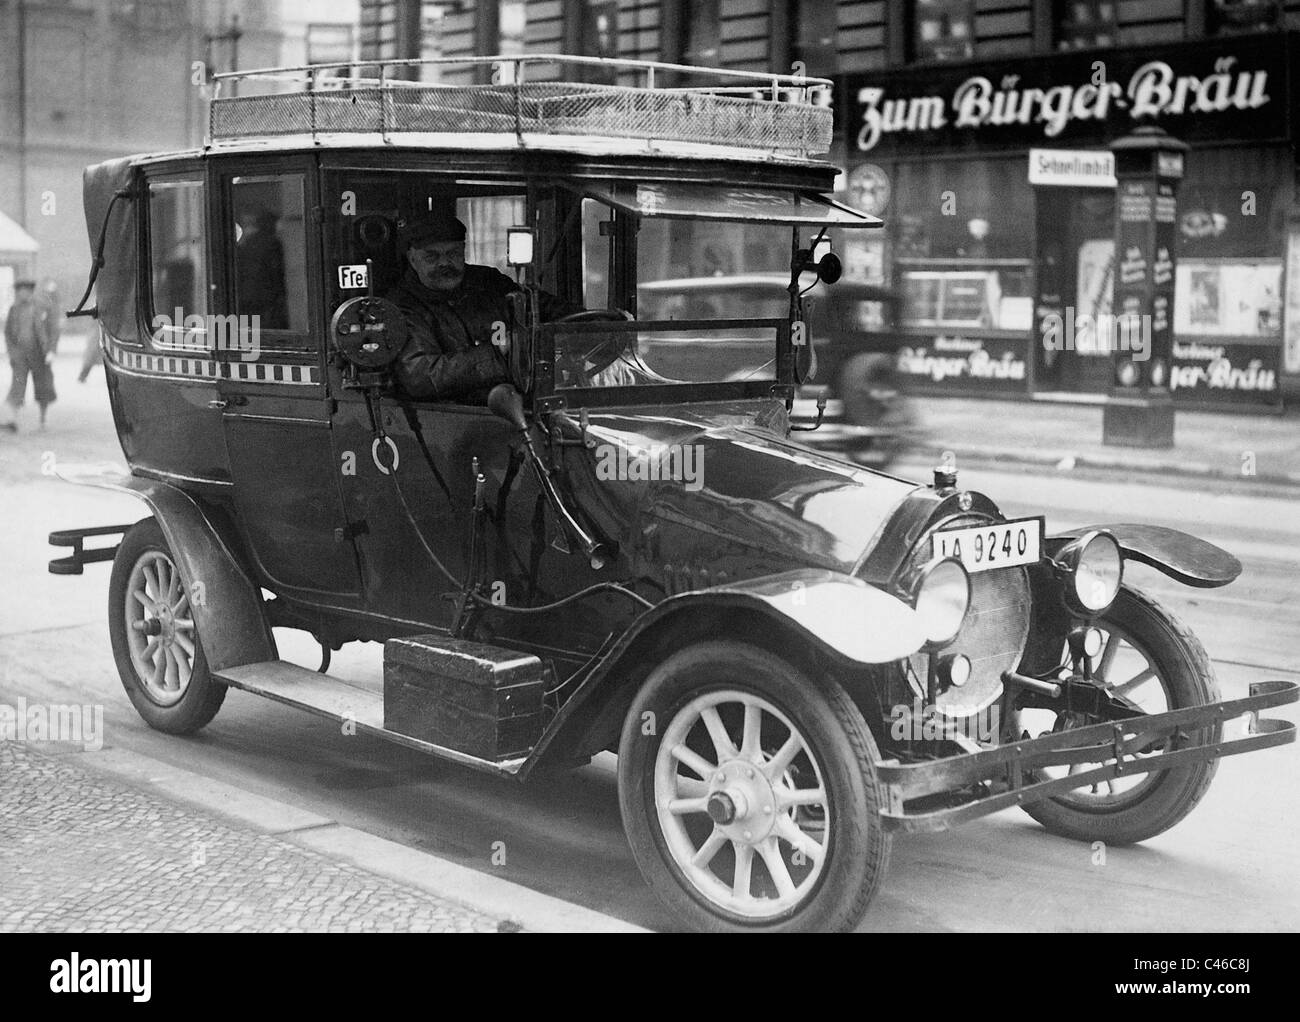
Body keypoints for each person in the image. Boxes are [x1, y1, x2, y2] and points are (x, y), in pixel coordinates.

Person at [386, 213, 578, 402]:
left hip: (522, 404)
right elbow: (422, 377)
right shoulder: (401, 307)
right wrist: (500, 349)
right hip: (454, 419)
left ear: (463, 251)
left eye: (453, 254)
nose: (444, 263)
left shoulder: (489, 282)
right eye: (431, 257)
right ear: (412, 259)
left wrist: (593, 326)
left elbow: (543, 306)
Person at [3, 279, 58, 432]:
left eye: (27, 290)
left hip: (39, 353)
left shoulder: (41, 308)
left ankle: (43, 420)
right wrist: (12, 352)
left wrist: (52, 351)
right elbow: (7, 333)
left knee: (43, 386)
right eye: (21, 291)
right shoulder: (14, 309)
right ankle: (13, 420)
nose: (24, 294)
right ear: (17, 292)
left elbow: (53, 329)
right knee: (17, 386)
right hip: (20, 355)